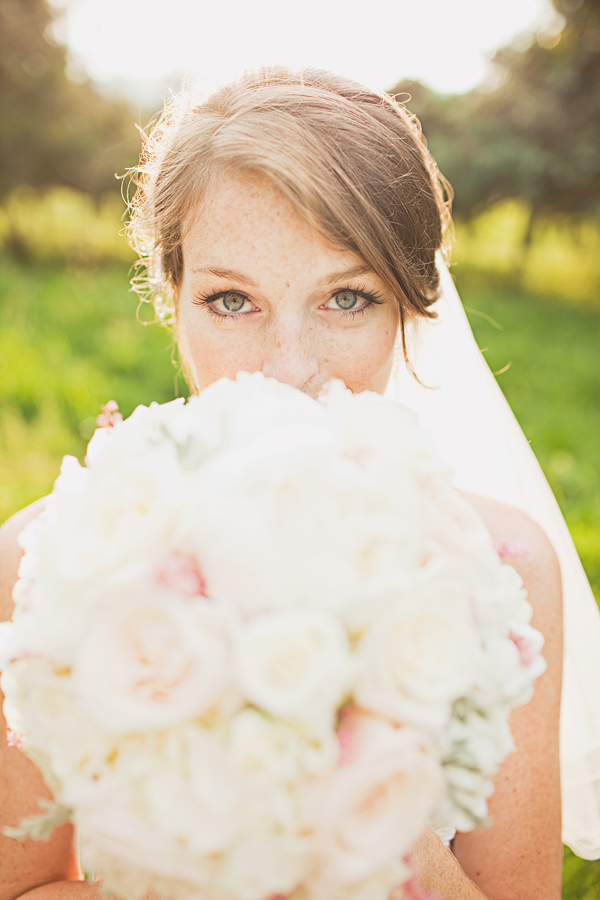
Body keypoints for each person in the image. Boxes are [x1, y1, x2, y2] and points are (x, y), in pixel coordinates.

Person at [0, 65, 572, 900]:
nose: (288, 368)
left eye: (346, 298)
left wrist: (359, 777)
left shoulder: (503, 572)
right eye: (233, 301)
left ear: (411, 307)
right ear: (174, 297)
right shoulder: (51, 562)